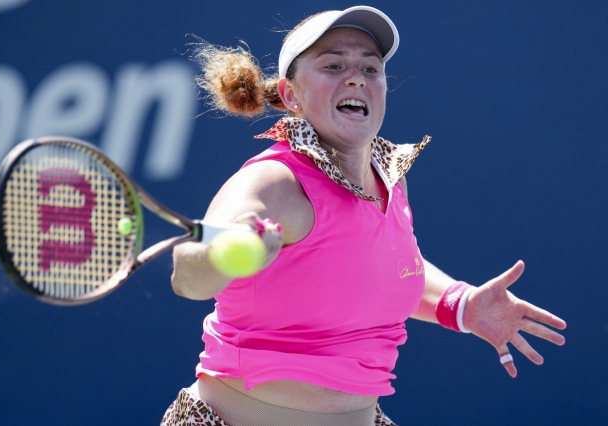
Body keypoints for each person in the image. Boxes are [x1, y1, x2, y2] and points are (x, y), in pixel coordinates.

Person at [161, 6, 566, 426]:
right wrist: (229, 252)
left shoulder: (390, 181)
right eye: (333, 65)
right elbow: (187, 275)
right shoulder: (274, 183)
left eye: (370, 69)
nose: (356, 77)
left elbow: (379, 265)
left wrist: (460, 304)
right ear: (290, 95)